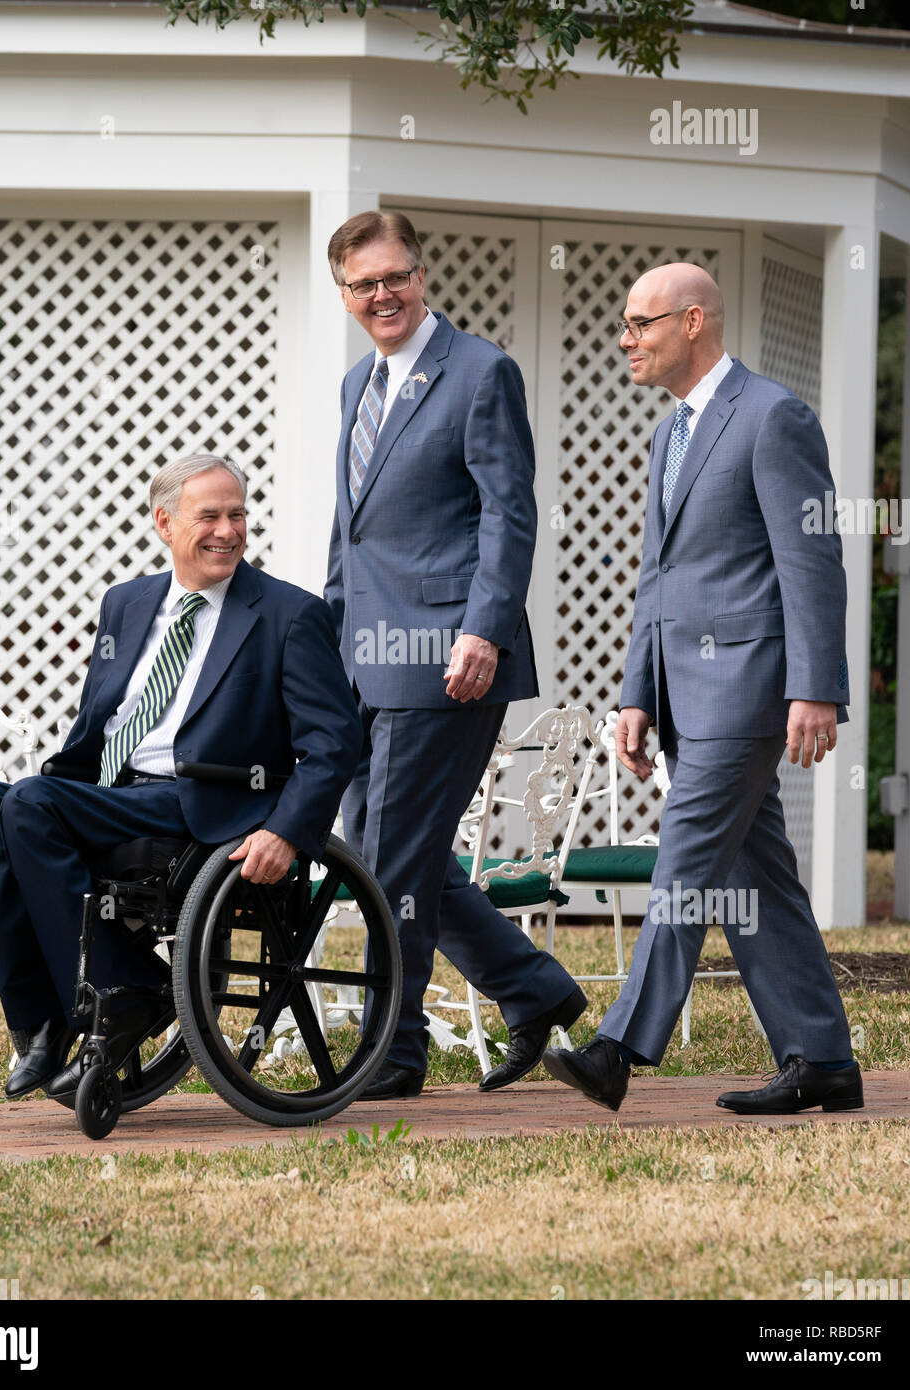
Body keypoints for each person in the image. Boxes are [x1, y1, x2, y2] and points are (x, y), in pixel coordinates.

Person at [543, 263, 862, 1115]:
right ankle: (823, 1059)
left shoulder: (773, 417)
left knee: (684, 864)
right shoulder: (669, 435)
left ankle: (617, 1050)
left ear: (694, 322)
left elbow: (812, 563)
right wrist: (636, 695)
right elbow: (660, 578)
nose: (625, 339)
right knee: (758, 882)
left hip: (750, 690)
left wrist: (815, 686)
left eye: (640, 323)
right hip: (685, 695)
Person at [0, 454, 361, 1099]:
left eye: (237, 514)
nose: (228, 530)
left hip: (206, 804)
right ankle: (39, 1024)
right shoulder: (127, 603)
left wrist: (287, 831)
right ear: (165, 523)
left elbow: (336, 742)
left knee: (29, 802)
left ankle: (128, 988)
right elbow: (98, 721)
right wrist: (64, 785)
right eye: (210, 516)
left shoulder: (289, 615)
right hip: (115, 793)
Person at [324, 210, 586, 1100]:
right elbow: (348, 540)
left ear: (421, 274)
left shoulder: (480, 372)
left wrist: (482, 627)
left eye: (395, 275)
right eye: (365, 284)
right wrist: (325, 653)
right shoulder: (357, 384)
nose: (383, 294)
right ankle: (535, 989)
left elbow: (510, 515)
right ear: (346, 296)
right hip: (363, 662)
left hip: (446, 659)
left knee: (390, 860)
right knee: (394, 851)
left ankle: (390, 1055)